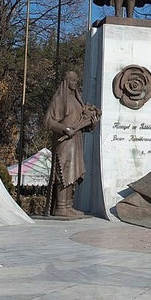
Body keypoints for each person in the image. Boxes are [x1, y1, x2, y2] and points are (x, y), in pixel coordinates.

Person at [43, 71, 101, 217]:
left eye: (76, 80)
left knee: (73, 173)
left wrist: (92, 124)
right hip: (64, 142)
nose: (75, 83)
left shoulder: (77, 100)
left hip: (76, 141)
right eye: (72, 80)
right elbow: (48, 121)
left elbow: (82, 123)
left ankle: (68, 206)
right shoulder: (59, 99)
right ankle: (61, 207)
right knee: (63, 172)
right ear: (66, 81)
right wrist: (64, 129)